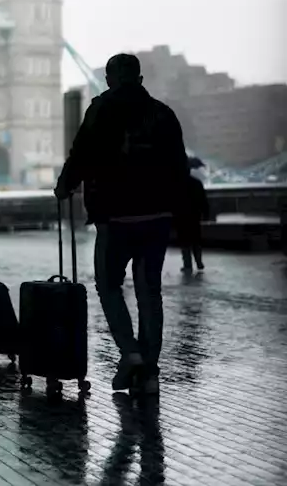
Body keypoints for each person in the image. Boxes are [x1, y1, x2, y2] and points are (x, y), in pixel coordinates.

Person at [55, 53, 189, 396]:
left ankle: (129, 352)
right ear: (140, 79)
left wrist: (66, 184)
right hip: (157, 217)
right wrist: (176, 208)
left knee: (109, 286)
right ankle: (150, 373)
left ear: (110, 79)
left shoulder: (101, 108)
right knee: (149, 292)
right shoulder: (163, 113)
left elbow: (81, 153)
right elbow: (179, 167)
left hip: (115, 217)